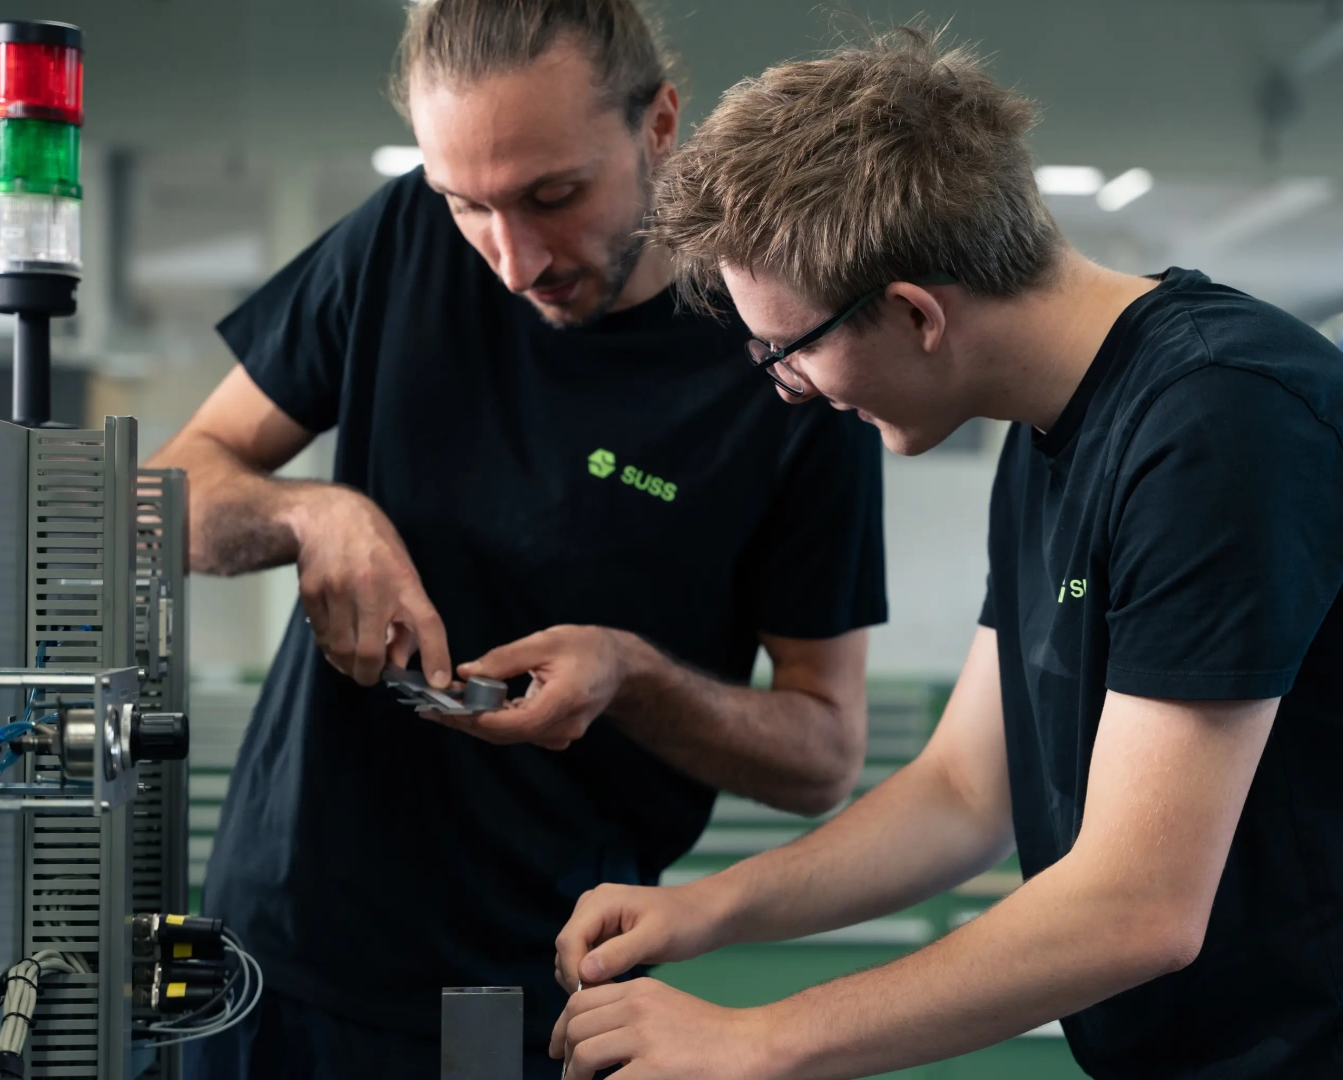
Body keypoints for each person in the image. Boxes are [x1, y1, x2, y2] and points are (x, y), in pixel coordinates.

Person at [549, 28, 1343, 1080]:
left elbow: (1137, 907)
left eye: (788, 351)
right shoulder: (1045, 433)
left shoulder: (1225, 420)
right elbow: (962, 791)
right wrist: (707, 908)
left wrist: (758, 1038)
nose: (785, 389)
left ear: (915, 314)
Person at [147, 3, 888, 1077]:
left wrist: (632, 677)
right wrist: (314, 513)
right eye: (468, 205)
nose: (512, 261)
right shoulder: (398, 239)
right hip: (281, 952)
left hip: (543, 990)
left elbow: (823, 754)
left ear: (659, 124)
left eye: (554, 197)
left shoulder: (781, 353)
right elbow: (167, 493)